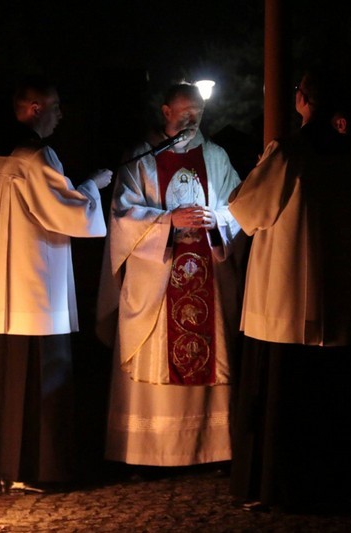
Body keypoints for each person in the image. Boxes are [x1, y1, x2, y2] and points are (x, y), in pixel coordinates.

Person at [227, 68, 351, 512]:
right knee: (330, 396)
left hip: (287, 297)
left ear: (303, 100)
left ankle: (279, 487)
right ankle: (333, 484)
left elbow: (247, 210)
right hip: (340, 296)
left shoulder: (289, 152)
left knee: (284, 397)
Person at [0, 74, 112, 492]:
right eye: (55, 106)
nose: (61, 115)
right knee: (42, 374)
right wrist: (92, 186)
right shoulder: (36, 156)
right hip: (35, 288)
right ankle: (39, 468)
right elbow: (68, 213)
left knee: (1, 378)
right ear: (35, 108)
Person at [96, 82, 245, 470]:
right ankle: (148, 454)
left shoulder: (215, 157)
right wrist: (167, 222)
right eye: (185, 113)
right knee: (155, 356)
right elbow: (122, 216)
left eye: (198, 113)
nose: (193, 120)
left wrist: (218, 220)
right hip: (158, 282)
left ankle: (212, 450)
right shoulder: (141, 159)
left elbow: (240, 206)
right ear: (166, 112)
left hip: (206, 275)